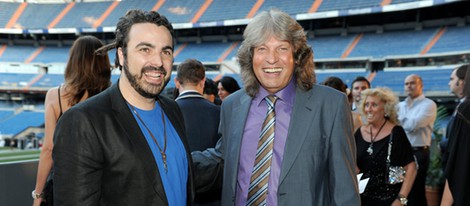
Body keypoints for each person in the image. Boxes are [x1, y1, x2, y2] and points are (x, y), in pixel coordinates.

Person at [192, 9, 360, 205]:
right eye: (261, 49)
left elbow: (345, 192)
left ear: (297, 56)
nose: (271, 59)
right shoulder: (232, 106)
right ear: (250, 56)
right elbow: (224, 157)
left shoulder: (330, 105)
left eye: (282, 48)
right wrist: (173, 161)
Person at [52, 10, 194, 205]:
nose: (159, 62)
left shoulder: (173, 110)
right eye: (145, 49)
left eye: (166, 51)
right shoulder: (83, 121)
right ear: (121, 54)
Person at [32, 35, 112, 206]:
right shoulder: (113, 96)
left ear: (73, 61)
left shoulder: (55, 96)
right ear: (103, 63)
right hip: (105, 186)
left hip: (65, 185)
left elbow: (48, 149)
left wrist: (38, 195)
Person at [355, 87, 417, 205]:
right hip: (362, 200)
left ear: (385, 108)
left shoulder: (396, 132)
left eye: (374, 105)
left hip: (389, 201)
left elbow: (411, 168)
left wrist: (401, 199)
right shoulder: (359, 133)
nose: (369, 109)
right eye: (366, 104)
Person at [174, 59, 221, 205]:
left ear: (177, 82)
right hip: (213, 196)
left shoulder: (166, 113)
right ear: (203, 81)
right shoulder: (220, 112)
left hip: (180, 195)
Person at [397, 74, 437, 206]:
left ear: (421, 85)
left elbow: (412, 125)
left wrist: (398, 120)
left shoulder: (429, 104)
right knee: (398, 187)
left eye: (412, 83)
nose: (409, 86)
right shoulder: (400, 105)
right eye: (406, 83)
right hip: (399, 154)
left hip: (418, 153)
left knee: (416, 190)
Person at [441, 64, 470, 206]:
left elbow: (457, 157)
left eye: (452, 79)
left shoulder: (464, 111)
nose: (449, 83)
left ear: (463, 82)